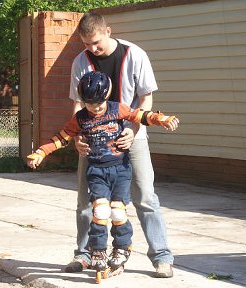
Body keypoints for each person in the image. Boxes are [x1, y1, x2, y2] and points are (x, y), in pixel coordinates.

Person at [27, 71, 179, 275]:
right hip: (96, 171)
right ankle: (97, 251)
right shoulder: (80, 118)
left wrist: (162, 119)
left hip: (120, 170)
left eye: (99, 103)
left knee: (117, 211)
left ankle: (122, 247)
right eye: (90, 104)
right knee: (100, 211)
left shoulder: (117, 109)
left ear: (107, 96)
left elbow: (141, 115)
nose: (96, 108)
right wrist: (41, 152)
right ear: (84, 101)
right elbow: (62, 137)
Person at [65, 12, 178, 279]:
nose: (91, 49)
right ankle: (84, 255)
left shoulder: (135, 54)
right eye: (86, 44)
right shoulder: (80, 61)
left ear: (108, 31)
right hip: (93, 142)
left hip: (132, 137)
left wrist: (132, 128)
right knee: (86, 200)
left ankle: (162, 257)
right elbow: (78, 104)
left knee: (146, 197)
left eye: (95, 43)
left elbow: (145, 100)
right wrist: (76, 137)